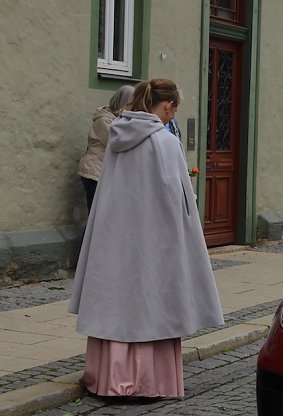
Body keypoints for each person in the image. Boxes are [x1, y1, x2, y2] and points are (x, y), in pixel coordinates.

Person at [69, 78, 224, 399]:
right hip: (155, 240)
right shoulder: (166, 143)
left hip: (116, 236)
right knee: (153, 303)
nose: (172, 117)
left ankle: (107, 378)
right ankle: (147, 382)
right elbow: (177, 200)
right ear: (168, 106)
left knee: (117, 301)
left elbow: (108, 189)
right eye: (174, 110)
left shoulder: (117, 137)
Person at [77, 85, 135, 213]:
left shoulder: (116, 118)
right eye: (131, 103)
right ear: (124, 102)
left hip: (103, 171)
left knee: (102, 214)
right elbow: (115, 142)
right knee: (96, 213)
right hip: (94, 172)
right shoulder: (104, 119)